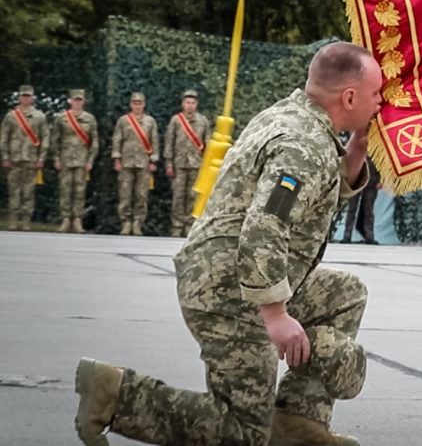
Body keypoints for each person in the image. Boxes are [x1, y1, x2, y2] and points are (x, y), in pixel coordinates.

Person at [74, 42, 382, 446]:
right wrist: (275, 315)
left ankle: (296, 422)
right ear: (349, 97)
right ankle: (115, 396)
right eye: (376, 93)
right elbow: (265, 224)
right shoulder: (303, 146)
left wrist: (357, 146)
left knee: (344, 294)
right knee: (241, 433)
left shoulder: (294, 118)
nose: (381, 102)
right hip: (228, 289)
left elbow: (312, 195)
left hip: (237, 272)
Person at [1, 85, 49, 230]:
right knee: (14, 190)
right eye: (23, 96)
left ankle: (26, 220)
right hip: (14, 158)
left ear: (32, 98)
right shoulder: (11, 116)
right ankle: (13, 220)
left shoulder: (40, 116)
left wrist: (41, 158)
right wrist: (5, 156)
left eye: (28, 96)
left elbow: (45, 138)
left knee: (28, 191)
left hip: (31, 159)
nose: (26, 98)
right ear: (19, 97)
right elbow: (4, 138)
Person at [112, 92, 159, 236]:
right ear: (131, 104)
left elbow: (154, 141)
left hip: (143, 163)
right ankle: (126, 222)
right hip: (126, 162)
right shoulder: (123, 121)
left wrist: (153, 160)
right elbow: (117, 140)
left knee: (141, 195)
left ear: (144, 104)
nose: (137, 106)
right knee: (125, 194)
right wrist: (116, 159)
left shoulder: (150, 121)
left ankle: (137, 223)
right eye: (135, 103)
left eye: (140, 103)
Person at [52, 89, 99, 233]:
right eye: (75, 100)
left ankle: (77, 220)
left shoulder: (89, 119)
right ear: (70, 101)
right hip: (66, 159)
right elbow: (55, 140)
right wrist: (56, 158)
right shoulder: (62, 118)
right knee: (65, 190)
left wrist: (90, 160)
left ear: (83, 101)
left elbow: (94, 141)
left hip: (82, 160)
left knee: (79, 191)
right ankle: (66, 219)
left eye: (80, 100)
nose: (77, 102)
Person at [164, 89, 210, 237]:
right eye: (187, 102)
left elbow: (208, 144)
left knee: (193, 196)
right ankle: (176, 227)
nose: (190, 105)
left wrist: (207, 165)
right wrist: (169, 163)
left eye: (193, 103)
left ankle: (189, 226)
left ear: (196, 104)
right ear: (183, 104)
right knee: (178, 196)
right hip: (179, 164)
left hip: (197, 164)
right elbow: (169, 142)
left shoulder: (203, 121)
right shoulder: (176, 120)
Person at [341, 158, 379, 244]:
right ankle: (347, 236)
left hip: (371, 182)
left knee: (369, 210)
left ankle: (370, 237)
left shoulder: (377, 147)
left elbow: (381, 163)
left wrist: (380, 181)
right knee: (351, 209)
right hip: (355, 180)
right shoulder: (356, 145)